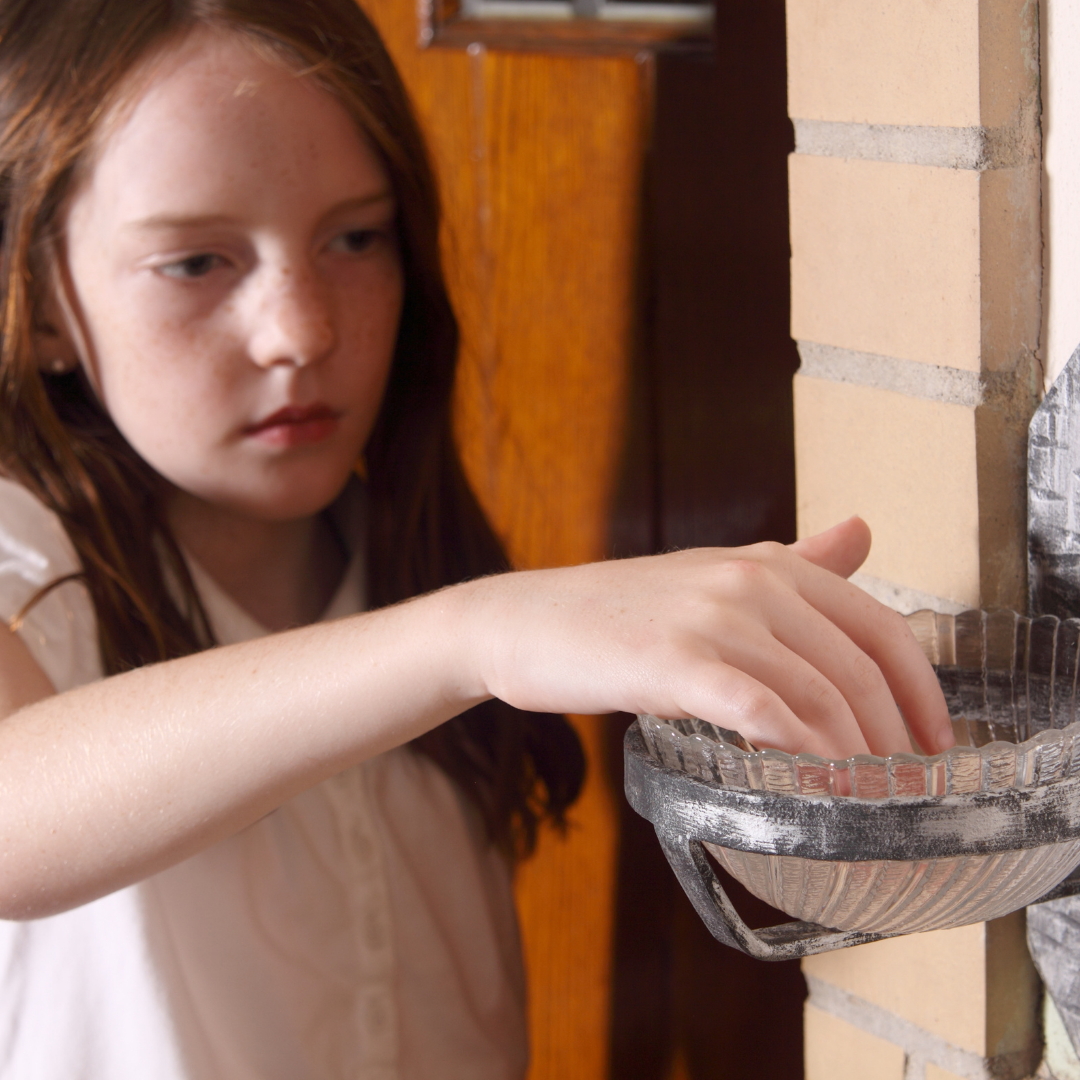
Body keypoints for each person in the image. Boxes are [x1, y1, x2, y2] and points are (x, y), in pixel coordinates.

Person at [0, 0, 952, 1075]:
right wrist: (476, 635)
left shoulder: (404, 551)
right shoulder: (25, 563)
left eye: (356, 238)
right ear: (38, 298)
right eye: (196, 264)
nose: (301, 330)